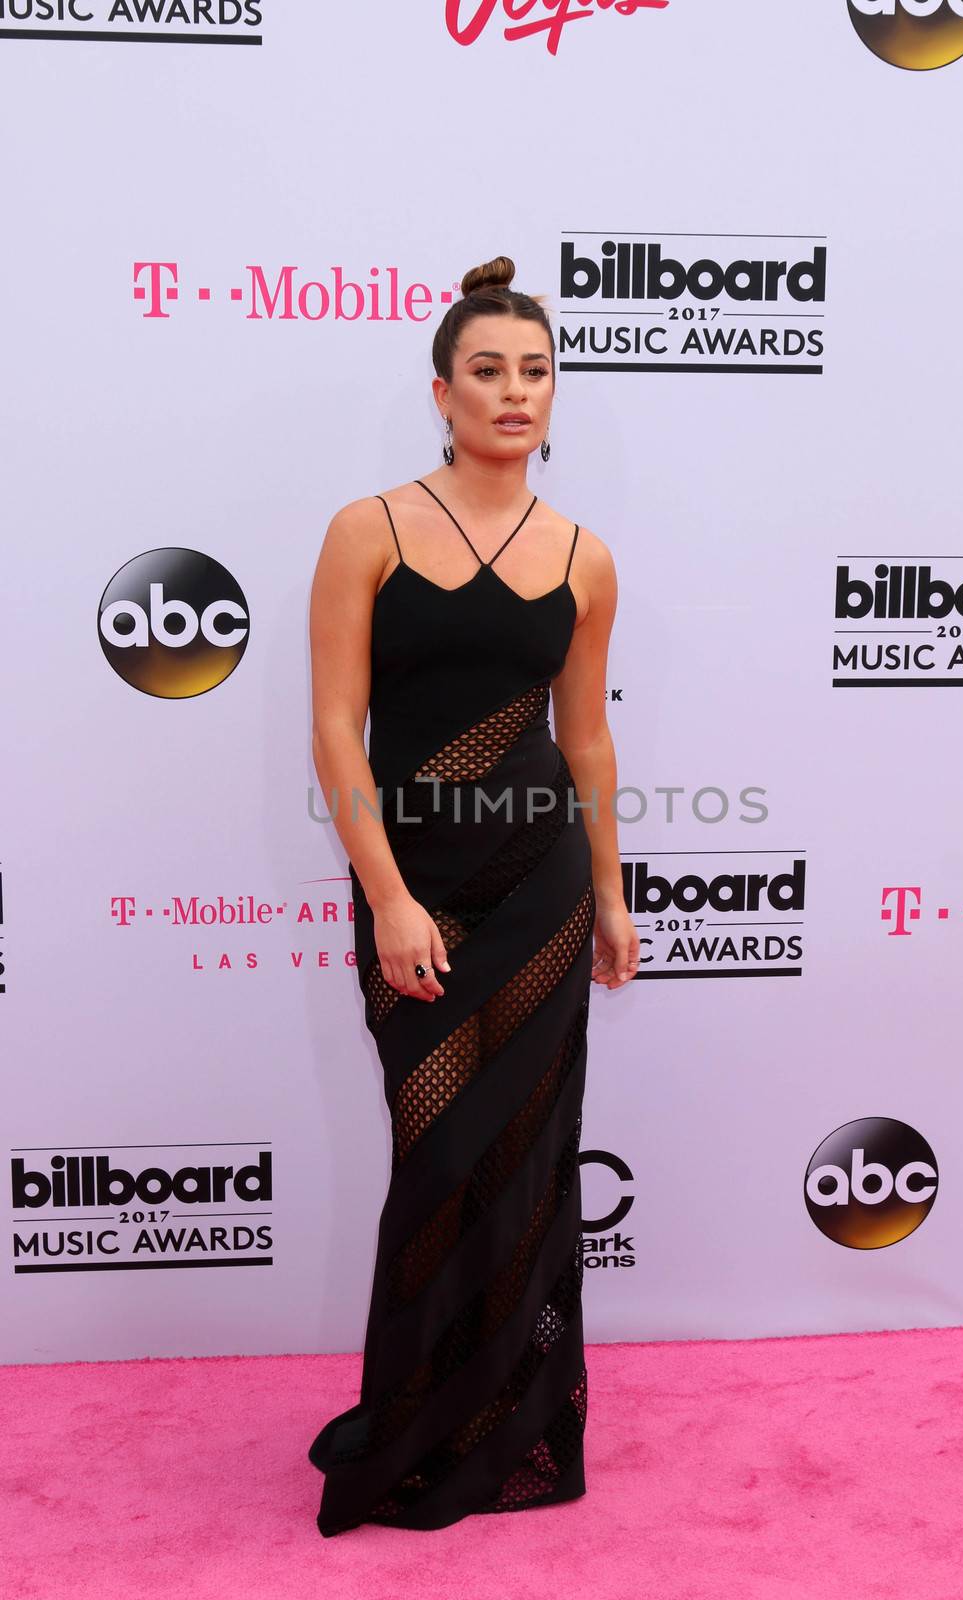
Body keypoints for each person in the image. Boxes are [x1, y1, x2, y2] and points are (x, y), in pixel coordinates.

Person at [305, 253, 638, 1536]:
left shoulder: (583, 557)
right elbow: (338, 733)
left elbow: (587, 741)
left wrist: (607, 893)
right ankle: (417, 1420)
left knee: (524, 1151)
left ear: (554, 396)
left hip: (540, 886)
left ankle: (515, 1423)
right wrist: (384, 895)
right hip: (418, 888)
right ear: (440, 390)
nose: (513, 392)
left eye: (534, 372)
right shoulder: (367, 530)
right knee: (437, 1146)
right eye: (487, 371)